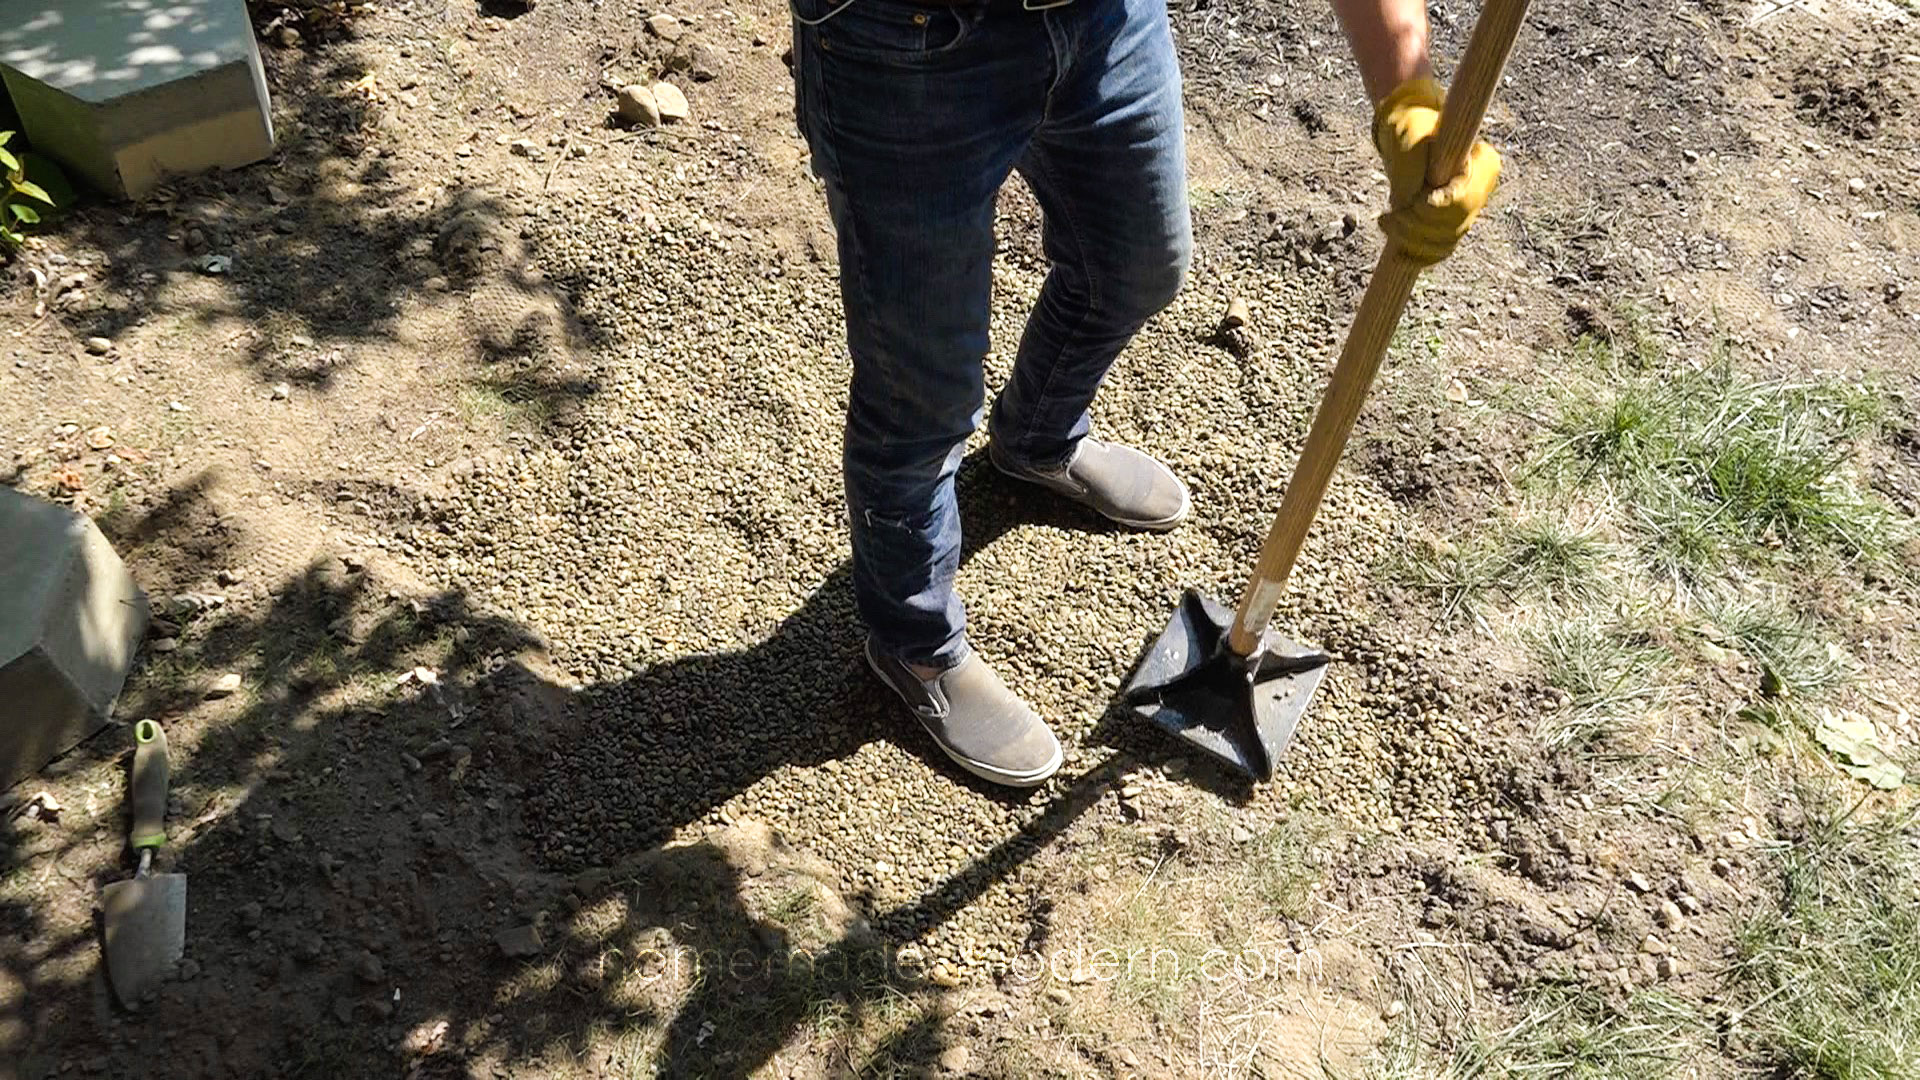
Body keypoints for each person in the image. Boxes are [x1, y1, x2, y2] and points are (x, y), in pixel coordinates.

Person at [789, 0, 1502, 787]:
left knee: (1134, 265)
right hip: (909, 41)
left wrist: (1406, 92)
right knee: (920, 392)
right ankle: (912, 643)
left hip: (1103, 19)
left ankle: (1038, 440)